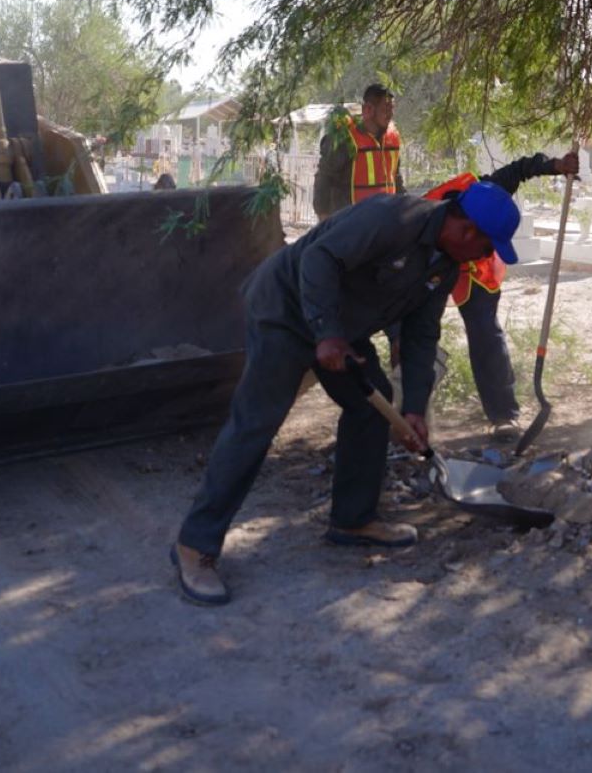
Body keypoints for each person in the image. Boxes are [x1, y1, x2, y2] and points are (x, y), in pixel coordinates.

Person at [171, 182, 522, 606]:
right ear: (466, 228)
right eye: (488, 245)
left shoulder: (444, 265)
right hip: (287, 311)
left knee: (371, 410)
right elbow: (319, 259)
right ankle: (195, 546)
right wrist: (327, 333)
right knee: (256, 424)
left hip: (341, 328)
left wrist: (413, 409)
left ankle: (352, 520)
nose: (487, 256)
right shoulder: (390, 218)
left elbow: (420, 335)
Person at [423, 148, 580, 441]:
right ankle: (410, 412)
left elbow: (519, 168)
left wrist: (555, 165)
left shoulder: (486, 194)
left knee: (485, 333)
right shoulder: (423, 221)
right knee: (419, 333)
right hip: (432, 266)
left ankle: (504, 413)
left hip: (474, 272)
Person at [312, 84, 404, 221]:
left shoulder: (393, 139)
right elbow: (324, 178)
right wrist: (323, 219)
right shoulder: (345, 140)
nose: (390, 114)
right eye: (385, 109)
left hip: (383, 225)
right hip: (349, 226)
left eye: (392, 108)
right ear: (368, 109)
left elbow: (396, 179)